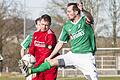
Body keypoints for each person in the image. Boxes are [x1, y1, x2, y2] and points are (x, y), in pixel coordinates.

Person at [24, 2, 98, 80]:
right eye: (67, 11)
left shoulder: (84, 21)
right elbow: (60, 43)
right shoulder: (67, 26)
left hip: (86, 57)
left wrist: (83, 10)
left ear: (76, 12)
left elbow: (90, 18)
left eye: (69, 11)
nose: (67, 13)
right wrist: (50, 56)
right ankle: (31, 71)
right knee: (51, 62)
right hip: (73, 55)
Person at [28, 14, 58, 80]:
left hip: (49, 67)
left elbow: (47, 52)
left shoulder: (50, 35)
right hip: (37, 64)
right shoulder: (36, 34)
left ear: (50, 25)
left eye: (46, 25)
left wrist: (37, 67)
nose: (44, 27)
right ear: (40, 23)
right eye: (42, 24)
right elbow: (32, 49)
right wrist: (29, 60)